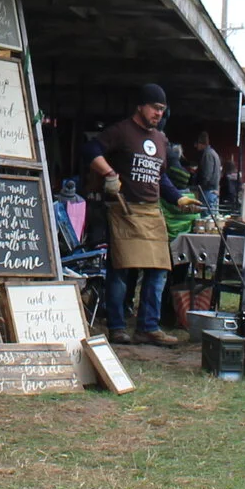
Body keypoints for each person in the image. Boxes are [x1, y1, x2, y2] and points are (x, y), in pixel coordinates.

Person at [93, 85, 186, 346]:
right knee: (121, 270)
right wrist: (109, 173)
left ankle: (148, 327)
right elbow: (91, 150)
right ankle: (117, 326)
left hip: (152, 211)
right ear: (141, 106)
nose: (158, 114)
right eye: (155, 108)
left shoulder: (160, 139)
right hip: (125, 210)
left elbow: (161, 175)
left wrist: (178, 197)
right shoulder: (121, 131)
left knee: (159, 271)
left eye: (162, 110)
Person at [189, 132, 224, 213]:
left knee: (206, 218)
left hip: (208, 191)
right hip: (213, 190)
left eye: (196, 144)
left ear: (201, 143)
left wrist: (199, 185)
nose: (195, 146)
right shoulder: (213, 153)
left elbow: (206, 175)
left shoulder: (207, 154)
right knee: (212, 218)